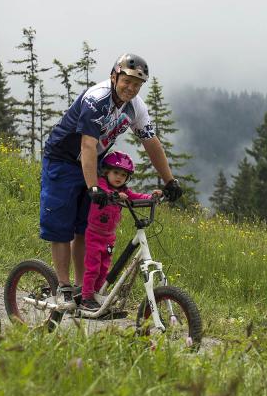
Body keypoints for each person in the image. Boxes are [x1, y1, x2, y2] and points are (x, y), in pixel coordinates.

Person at [40, 53, 184, 308]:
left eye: (137, 85)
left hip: (91, 163)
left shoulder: (135, 107)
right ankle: (63, 286)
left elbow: (151, 142)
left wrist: (170, 180)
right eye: (126, 81)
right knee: (61, 225)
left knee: (85, 227)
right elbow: (87, 144)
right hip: (62, 160)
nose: (131, 88)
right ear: (114, 76)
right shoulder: (96, 99)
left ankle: (83, 290)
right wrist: (93, 185)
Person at [80, 151, 161, 311]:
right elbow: (106, 192)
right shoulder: (101, 185)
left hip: (109, 237)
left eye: (123, 175)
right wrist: (116, 195)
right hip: (94, 235)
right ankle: (86, 297)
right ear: (106, 172)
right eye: (116, 172)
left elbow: (136, 196)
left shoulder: (125, 191)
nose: (119, 177)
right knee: (93, 268)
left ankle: (97, 294)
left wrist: (152, 197)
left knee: (104, 269)